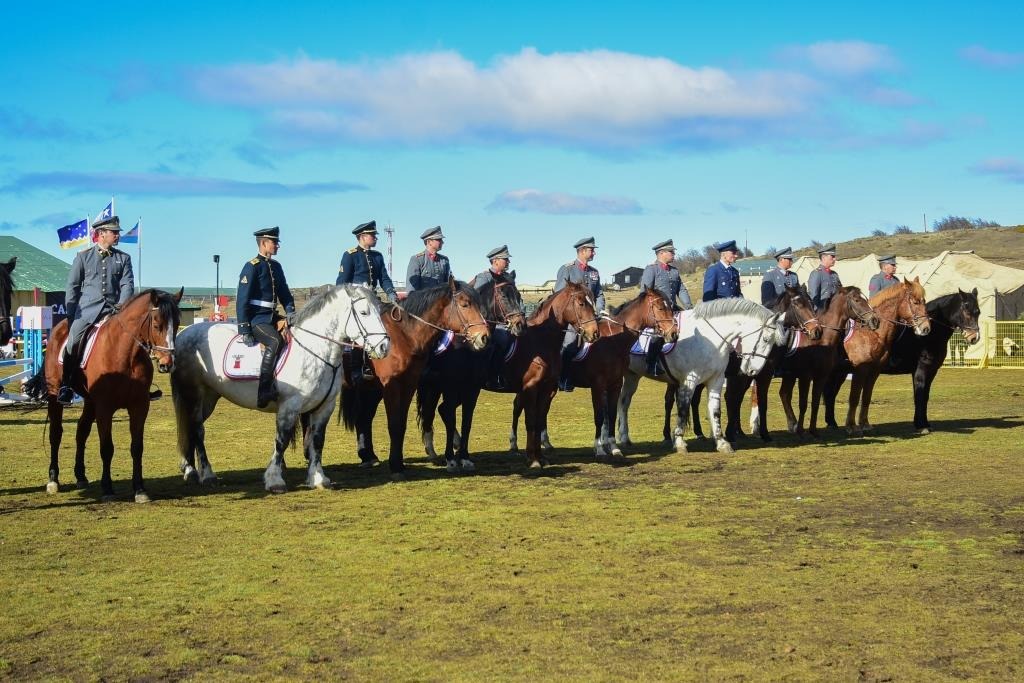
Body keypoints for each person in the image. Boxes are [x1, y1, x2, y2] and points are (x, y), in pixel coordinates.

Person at [58, 215, 135, 405]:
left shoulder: (124, 258)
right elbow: (73, 287)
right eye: (114, 232)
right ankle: (66, 384)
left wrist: (121, 306)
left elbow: (127, 285)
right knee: (73, 340)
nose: (117, 235)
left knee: (135, 339)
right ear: (101, 234)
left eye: (117, 232)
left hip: (114, 311)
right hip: (87, 311)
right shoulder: (83, 257)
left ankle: (139, 385)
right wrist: (71, 312)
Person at [237, 226, 296, 408]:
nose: (277, 245)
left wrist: (291, 310)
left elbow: (284, 293)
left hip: (272, 317)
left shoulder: (276, 267)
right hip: (257, 319)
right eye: (274, 242)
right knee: (275, 342)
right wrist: (244, 328)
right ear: (263, 243)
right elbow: (242, 300)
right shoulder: (251, 267)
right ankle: (264, 391)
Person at [554, 236, 605, 392]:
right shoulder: (568, 268)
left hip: (590, 317)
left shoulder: (594, 272)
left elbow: (599, 294)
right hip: (572, 319)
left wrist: (599, 309)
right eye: (591, 250)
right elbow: (558, 294)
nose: (594, 253)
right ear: (582, 251)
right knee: (570, 346)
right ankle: (563, 378)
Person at [640, 239, 692, 375]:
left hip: (673, 309)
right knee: (658, 335)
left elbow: (681, 290)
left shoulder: (674, 271)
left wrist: (688, 307)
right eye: (671, 252)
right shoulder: (651, 269)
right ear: (661, 253)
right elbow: (644, 293)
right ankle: (651, 364)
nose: (673, 254)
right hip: (658, 312)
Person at [473, 245, 516, 389]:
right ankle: (491, 376)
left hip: (504, 321)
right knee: (501, 340)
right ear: (495, 261)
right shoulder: (484, 276)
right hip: (484, 322)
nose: (508, 262)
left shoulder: (507, 278)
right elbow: (476, 300)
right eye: (505, 259)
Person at [337, 220, 398, 302]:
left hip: (373, 299)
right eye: (372, 235)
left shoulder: (378, 256)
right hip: (356, 300)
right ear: (362, 237)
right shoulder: (350, 255)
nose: (376, 238)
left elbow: (384, 279)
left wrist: (391, 292)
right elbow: (342, 283)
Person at [406, 225, 451, 292]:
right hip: (423, 301)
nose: (442, 242)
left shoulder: (444, 260)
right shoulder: (417, 260)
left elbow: (448, 285)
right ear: (429, 242)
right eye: (439, 239)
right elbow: (412, 290)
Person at [807, 243, 842, 312]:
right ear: (823, 257)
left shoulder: (834, 274)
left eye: (834, 256)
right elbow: (813, 296)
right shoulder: (816, 273)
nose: (835, 259)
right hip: (823, 313)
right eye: (832, 256)